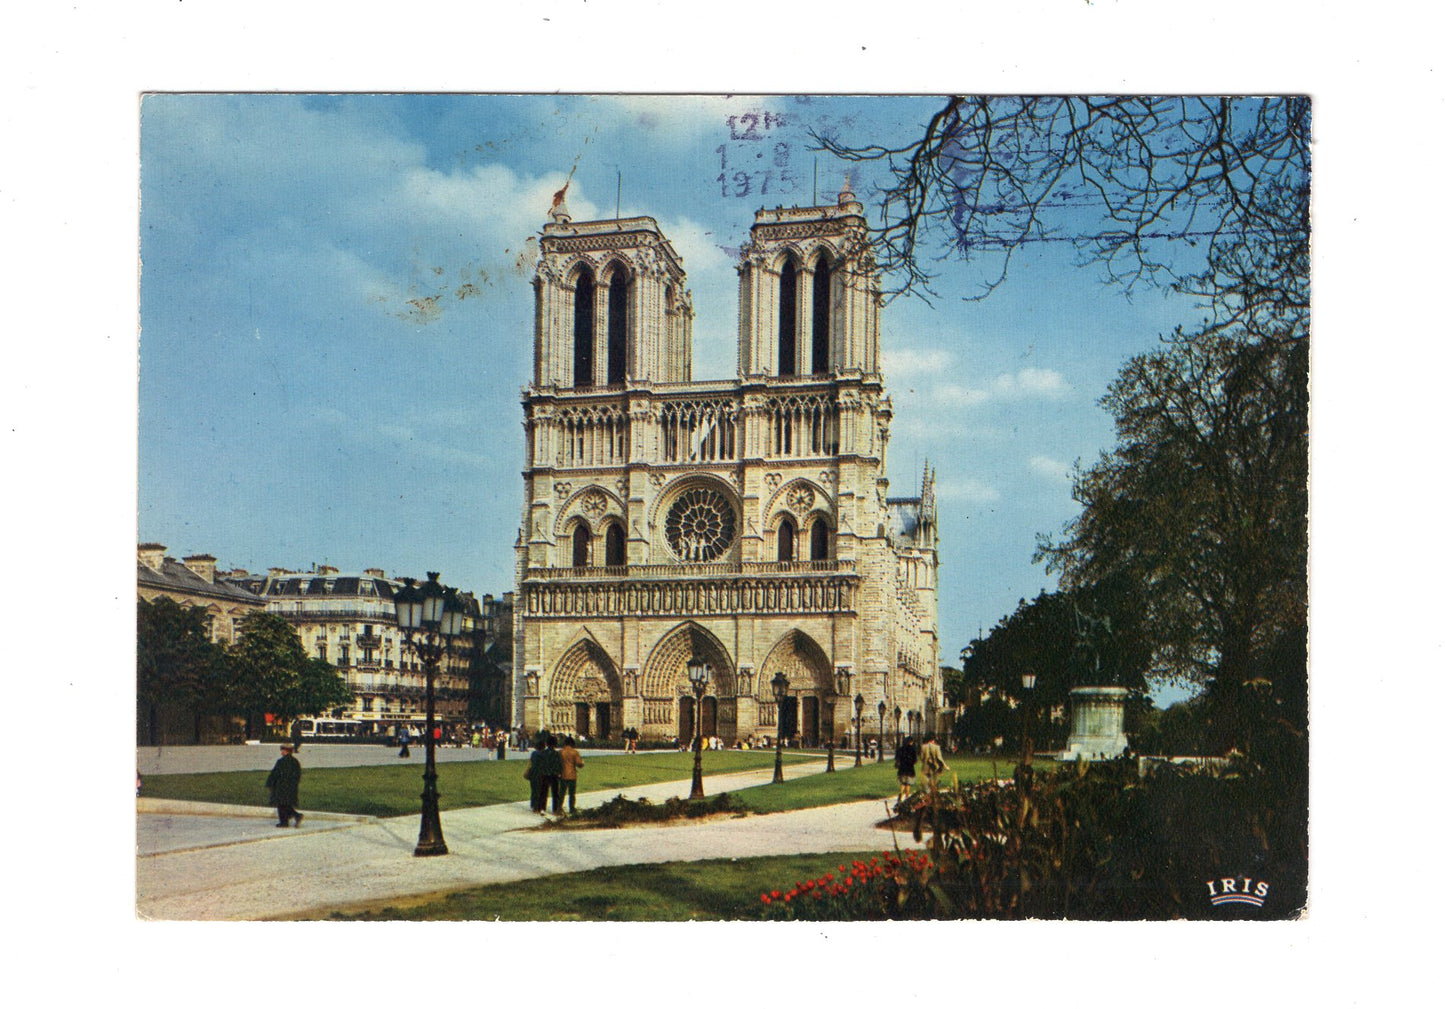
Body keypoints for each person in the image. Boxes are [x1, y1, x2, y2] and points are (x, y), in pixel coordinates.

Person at [266, 743, 303, 828]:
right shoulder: (295, 762)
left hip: (281, 787)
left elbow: (275, 774)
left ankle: (284, 822)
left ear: (285, 751)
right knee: (286, 804)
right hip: (291, 787)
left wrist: (270, 784)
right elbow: (298, 775)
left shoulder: (281, 761)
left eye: (282, 750)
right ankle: (296, 816)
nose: (281, 752)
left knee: (281, 805)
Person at [559, 735, 585, 814]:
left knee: (561, 793)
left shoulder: (560, 752)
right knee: (572, 794)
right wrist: (582, 763)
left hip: (563, 775)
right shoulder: (575, 752)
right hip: (572, 775)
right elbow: (579, 764)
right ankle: (572, 808)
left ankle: (559, 808)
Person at [539, 733, 564, 813]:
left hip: (545, 774)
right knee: (555, 793)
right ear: (555, 744)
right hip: (554, 775)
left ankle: (542, 808)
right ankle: (555, 808)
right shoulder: (557, 754)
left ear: (547, 743)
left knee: (543, 792)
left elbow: (540, 764)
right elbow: (559, 765)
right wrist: (560, 773)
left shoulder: (543, 753)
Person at [894, 735, 919, 807]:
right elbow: (915, 760)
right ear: (911, 742)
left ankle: (901, 793)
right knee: (908, 783)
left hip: (902, 768)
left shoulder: (900, 749)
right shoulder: (913, 749)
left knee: (902, 782)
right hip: (909, 768)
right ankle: (907, 797)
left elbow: (897, 758)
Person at [526, 735, 549, 812]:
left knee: (534, 790)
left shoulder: (533, 754)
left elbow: (530, 762)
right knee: (542, 791)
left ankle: (534, 806)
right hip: (542, 774)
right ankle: (541, 807)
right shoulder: (545, 754)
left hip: (533, 773)